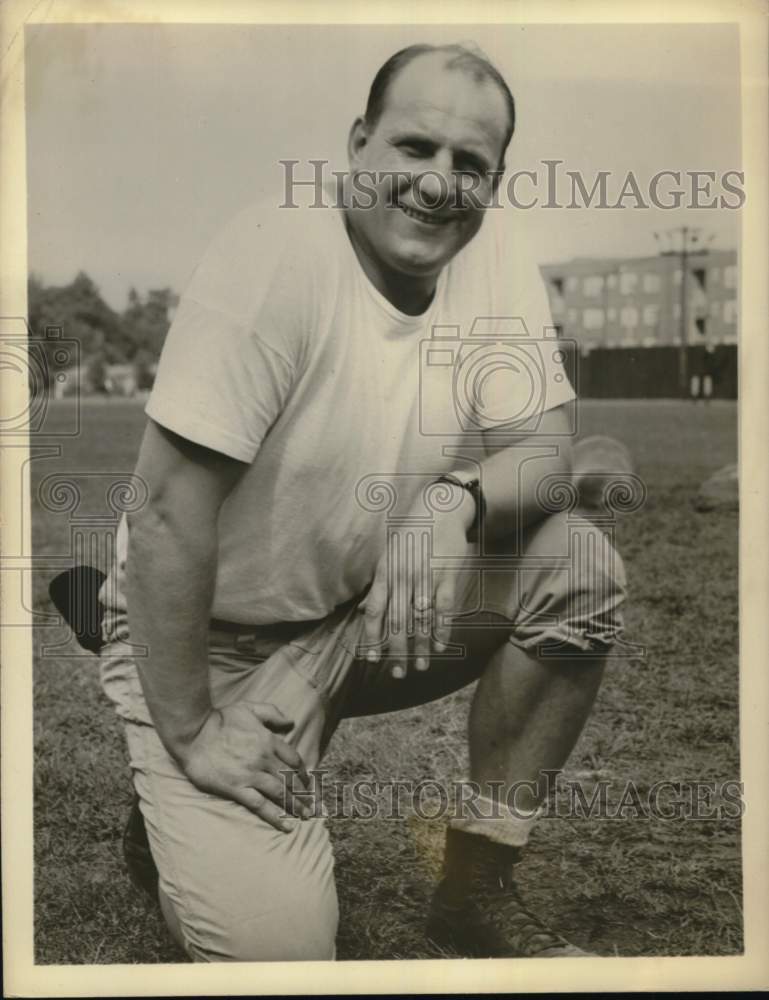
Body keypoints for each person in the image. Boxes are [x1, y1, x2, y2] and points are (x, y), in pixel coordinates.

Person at [99, 42, 627, 962]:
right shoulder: (276, 258)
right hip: (213, 641)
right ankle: (168, 793)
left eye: (470, 165)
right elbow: (163, 514)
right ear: (358, 143)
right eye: (414, 149)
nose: (438, 184)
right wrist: (191, 730)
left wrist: (452, 504)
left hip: (356, 612)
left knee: (576, 567)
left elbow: (546, 456)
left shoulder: (490, 253)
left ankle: (475, 894)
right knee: (281, 957)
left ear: (493, 182)